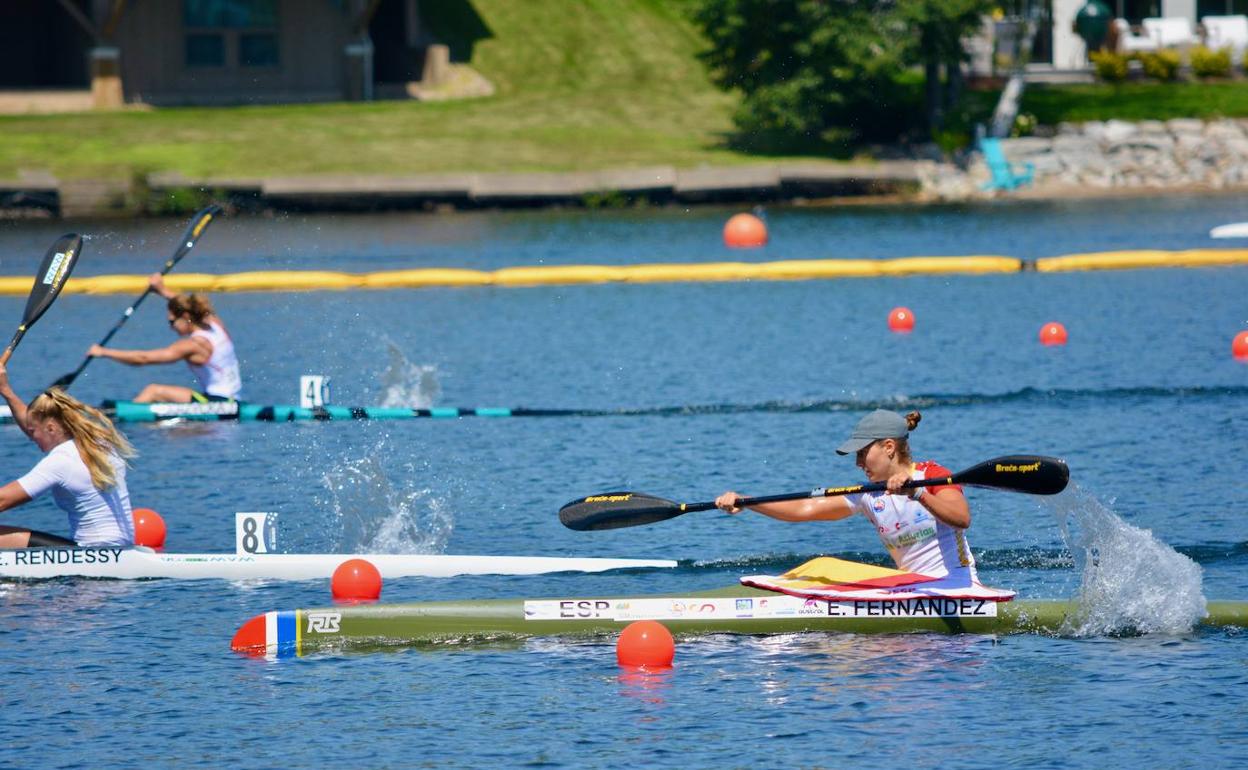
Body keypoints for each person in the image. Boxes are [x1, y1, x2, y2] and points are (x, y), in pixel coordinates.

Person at [715, 409, 977, 581]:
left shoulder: (933, 475)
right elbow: (803, 510)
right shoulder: (868, 495)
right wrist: (747, 502)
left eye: (862, 453)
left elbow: (961, 518)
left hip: (955, 586)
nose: (858, 463)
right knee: (820, 568)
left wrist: (917, 492)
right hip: (911, 589)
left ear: (888, 447)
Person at [0, 361, 136, 548]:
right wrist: (5, 390)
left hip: (92, 554)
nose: (31, 437)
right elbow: (32, 422)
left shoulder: (61, 460)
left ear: (51, 428)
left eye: (32, 432)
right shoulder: (98, 442)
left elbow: (2, 500)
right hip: (121, 548)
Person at [88, 274, 242, 403]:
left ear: (186, 317)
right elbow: (186, 305)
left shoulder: (194, 345)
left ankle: (114, 423)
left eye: (172, 322)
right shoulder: (215, 324)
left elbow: (143, 358)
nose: (171, 327)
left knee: (153, 391)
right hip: (233, 399)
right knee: (173, 434)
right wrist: (162, 290)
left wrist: (104, 352)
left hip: (217, 403)